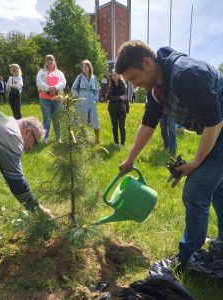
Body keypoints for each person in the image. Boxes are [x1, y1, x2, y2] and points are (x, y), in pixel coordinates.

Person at [115, 40, 223, 267]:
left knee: (196, 191)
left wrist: (195, 163)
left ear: (147, 63)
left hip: (218, 125)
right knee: (217, 188)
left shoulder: (186, 74)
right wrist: (129, 159)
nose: (134, 85)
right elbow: (147, 124)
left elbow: (214, 123)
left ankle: (188, 260)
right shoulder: (157, 89)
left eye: (134, 79)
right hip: (215, 127)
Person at [0, 110, 52, 221]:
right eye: (35, 142)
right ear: (27, 131)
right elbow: (17, 183)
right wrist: (38, 209)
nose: (31, 148)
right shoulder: (13, 137)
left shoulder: (7, 121)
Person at [36, 54, 66, 145]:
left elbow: (63, 83)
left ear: (54, 61)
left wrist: (55, 88)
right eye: (47, 60)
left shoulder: (59, 73)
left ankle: (58, 138)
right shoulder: (41, 72)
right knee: (47, 119)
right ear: (45, 62)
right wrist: (49, 88)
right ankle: (46, 138)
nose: (49, 61)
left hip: (57, 98)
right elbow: (39, 83)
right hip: (44, 98)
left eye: (51, 60)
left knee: (57, 119)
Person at [71, 60, 100, 143]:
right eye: (83, 66)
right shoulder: (79, 77)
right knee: (82, 119)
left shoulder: (94, 78)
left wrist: (95, 99)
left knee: (95, 119)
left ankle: (97, 139)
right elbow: (73, 88)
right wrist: (77, 95)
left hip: (92, 100)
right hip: (82, 99)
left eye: (86, 66)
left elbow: (97, 90)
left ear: (89, 67)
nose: (84, 68)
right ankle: (84, 138)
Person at [107, 69, 127, 147]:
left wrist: (127, 108)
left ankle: (122, 143)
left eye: (115, 75)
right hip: (112, 108)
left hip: (121, 108)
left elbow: (124, 98)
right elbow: (108, 96)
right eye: (112, 75)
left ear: (119, 75)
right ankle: (116, 143)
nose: (113, 76)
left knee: (122, 126)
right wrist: (118, 97)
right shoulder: (111, 86)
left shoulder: (123, 86)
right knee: (114, 126)